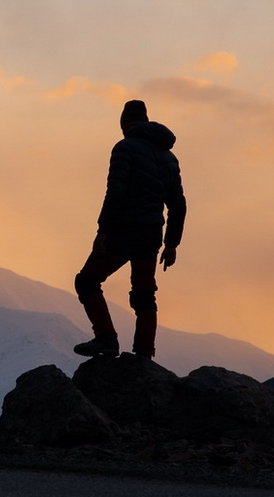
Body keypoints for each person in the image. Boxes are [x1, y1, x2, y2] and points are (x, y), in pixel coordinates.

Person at [73, 99, 185, 359]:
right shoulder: (169, 157)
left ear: (124, 124)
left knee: (87, 280)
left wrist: (103, 230)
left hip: (124, 231)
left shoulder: (124, 148)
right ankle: (144, 355)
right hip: (151, 234)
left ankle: (106, 339)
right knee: (144, 293)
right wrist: (171, 244)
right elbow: (178, 203)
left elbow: (116, 191)